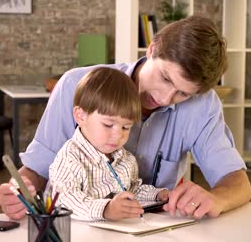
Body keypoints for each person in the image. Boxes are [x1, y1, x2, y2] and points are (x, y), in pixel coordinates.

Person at [0, 15, 251, 220]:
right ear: (152, 49)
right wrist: (17, 191)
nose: (164, 98)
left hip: (151, 229)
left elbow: (238, 184)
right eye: (165, 78)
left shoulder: (202, 106)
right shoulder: (75, 85)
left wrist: (217, 199)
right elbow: (37, 171)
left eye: (182, 94)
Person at [48, 67, 169, 221]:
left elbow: (132, 191)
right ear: (81, 116)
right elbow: (65, 200)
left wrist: (157, 195)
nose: (118, 135)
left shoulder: (126, 160)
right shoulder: (70, 158)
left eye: (126, 127)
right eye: (108, 125)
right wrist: (106, 209)